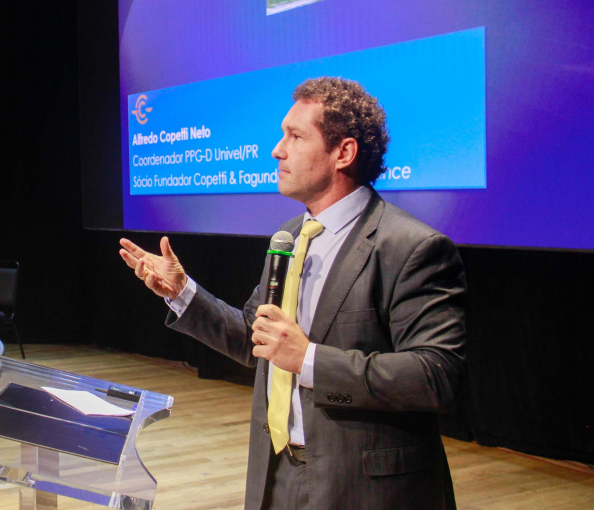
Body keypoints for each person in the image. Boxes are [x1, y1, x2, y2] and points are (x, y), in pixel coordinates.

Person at [120, 77, 467, 509]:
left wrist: (309, 360)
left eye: (295, 136)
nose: (277, 150)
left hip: (366, 488)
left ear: (344, 153)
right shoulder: (289, 238)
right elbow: (257, 341)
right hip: (278, 474)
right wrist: (182, 291)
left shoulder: (410, 247)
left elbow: (436, 376)